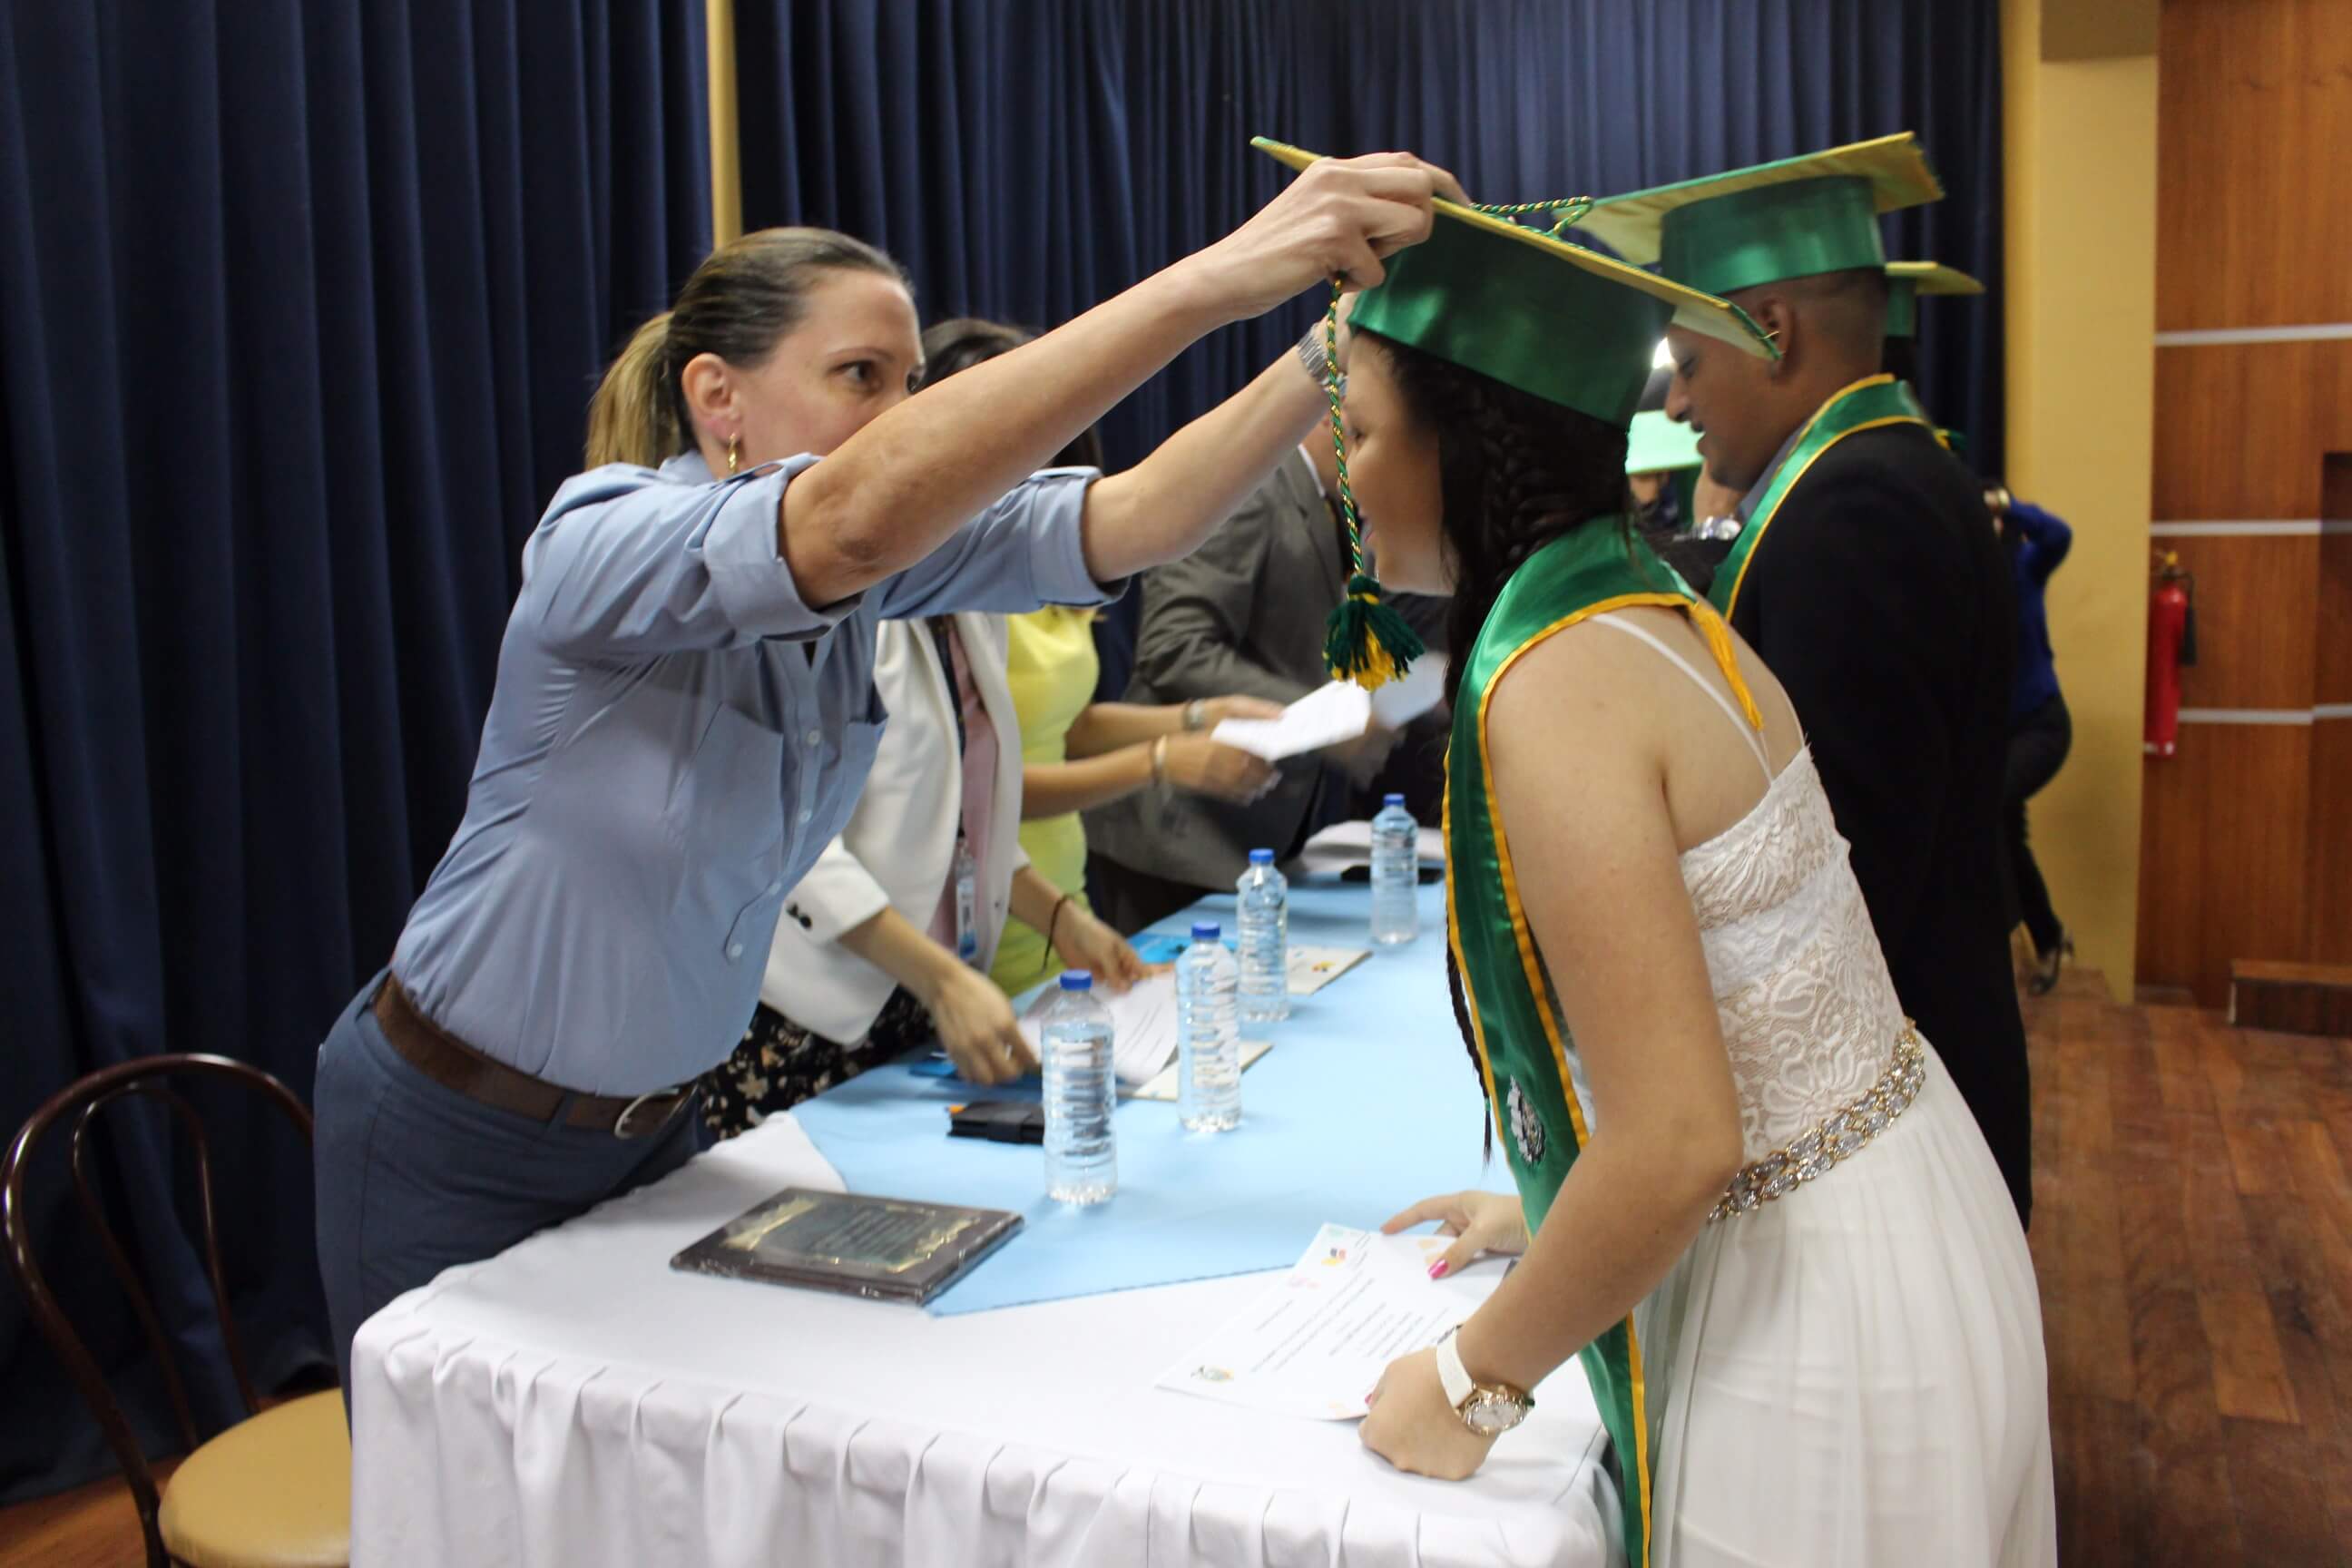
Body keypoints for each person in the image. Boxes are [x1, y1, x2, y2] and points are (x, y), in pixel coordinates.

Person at [309, 152, 1463, 1392]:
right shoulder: (605, 537)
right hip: (455, 1128)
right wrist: (1220, 279)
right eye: (860, 377)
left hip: (653, 1135)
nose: (902, 411)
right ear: (718, 399)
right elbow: (852, 513)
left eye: (909, 383)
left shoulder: (884, 577)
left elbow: (1136, 519)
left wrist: (1328, 347)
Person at [1269, 145, 2053, 1565]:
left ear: (1468, 442)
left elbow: (1684, 1139)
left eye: (1363, 429)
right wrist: (1555, 1195)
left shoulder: (1556, 680)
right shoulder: (1650, 609)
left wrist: (1468, 1379)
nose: (1340, 472)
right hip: (1896, 1207)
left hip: (1811, 1306)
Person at [1577, 135, 2035, 1226]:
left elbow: (1844, 879)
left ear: (1769, 330)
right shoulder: (1877, 472)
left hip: (1880, 1121)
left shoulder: (1853, 512)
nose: (1676, 409)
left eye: (1687, 365)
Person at [900, 318, 1294, 991]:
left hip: (1057, 895)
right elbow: (978, 793)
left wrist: (1195, 717)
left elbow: (1067, 728)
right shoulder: (944, 590)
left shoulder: (1042, 562)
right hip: (978, 917)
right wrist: (1160, 761)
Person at [697, 603, 1150, 1135]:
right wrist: (941, 981)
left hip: (916, 1008)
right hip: (808, 1024)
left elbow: (956, 820)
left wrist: (1059, 918)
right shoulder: (832, 615)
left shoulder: (972, 612)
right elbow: (794, 849)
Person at [1085, 432, 1407, 932]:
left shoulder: (1323, 503)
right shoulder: (1249, 489)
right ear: (1332, 416)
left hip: (1251, 835)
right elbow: (1174, 646)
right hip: (1179, 836)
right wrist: (1323, 719)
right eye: (1368, 432)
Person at [1993, 490, 2073, 993]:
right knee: (2005, 834)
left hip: (2042, 725)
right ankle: (2048, 937)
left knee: (1987, 810)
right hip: (2000, 736)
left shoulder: (2025, 567)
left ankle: (1999, 943)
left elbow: (2058, 535)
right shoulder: (1967, 583)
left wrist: (2007, 504)